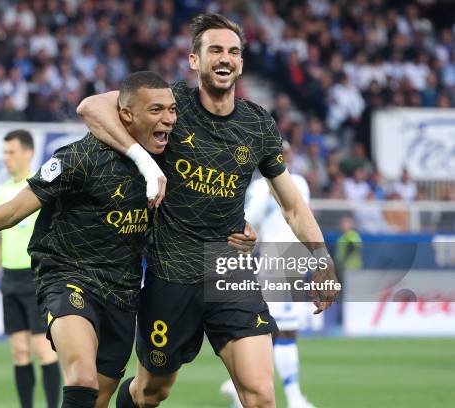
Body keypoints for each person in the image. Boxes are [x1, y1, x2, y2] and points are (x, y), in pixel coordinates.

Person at [77, 13, 339, 408]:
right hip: (170, 270)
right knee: (151, 393)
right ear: (194, 60)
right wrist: (145, 162)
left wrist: (322, 259)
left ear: (241, 63)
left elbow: (292, 204)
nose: (225, 58)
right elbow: (91, 108)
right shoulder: (169, 104)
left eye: (234, 51)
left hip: (228, 267)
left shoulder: (257, 125)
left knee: (261, 394)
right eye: (215, 49)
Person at [0, 71, 177, 408]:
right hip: (70, 279)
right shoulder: (79, 157)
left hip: (124, 293)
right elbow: (10, 213)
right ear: (125, 114)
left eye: (171, 110)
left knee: (98, 398)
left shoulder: (169, 156)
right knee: (82, 378)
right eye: (156, 110)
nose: (168, 119)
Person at [221, 141, 316, 408]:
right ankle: (294, 399)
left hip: (287, 261)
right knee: (284, 331)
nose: (286, 157)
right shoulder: (274, 185)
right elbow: (249, 219)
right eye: (281, 153)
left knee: (270, 330)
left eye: (287, 152)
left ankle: (239, 386)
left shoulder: (275, 185)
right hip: (279, 261)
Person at [0, 130, 61, 408]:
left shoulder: (41, 185)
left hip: (36, 277)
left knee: (43, 349)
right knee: (19, 352)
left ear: (28, 153)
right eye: (4, 153)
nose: (6, 158)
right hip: (9, 279)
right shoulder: (0, 192)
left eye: (11, 152)